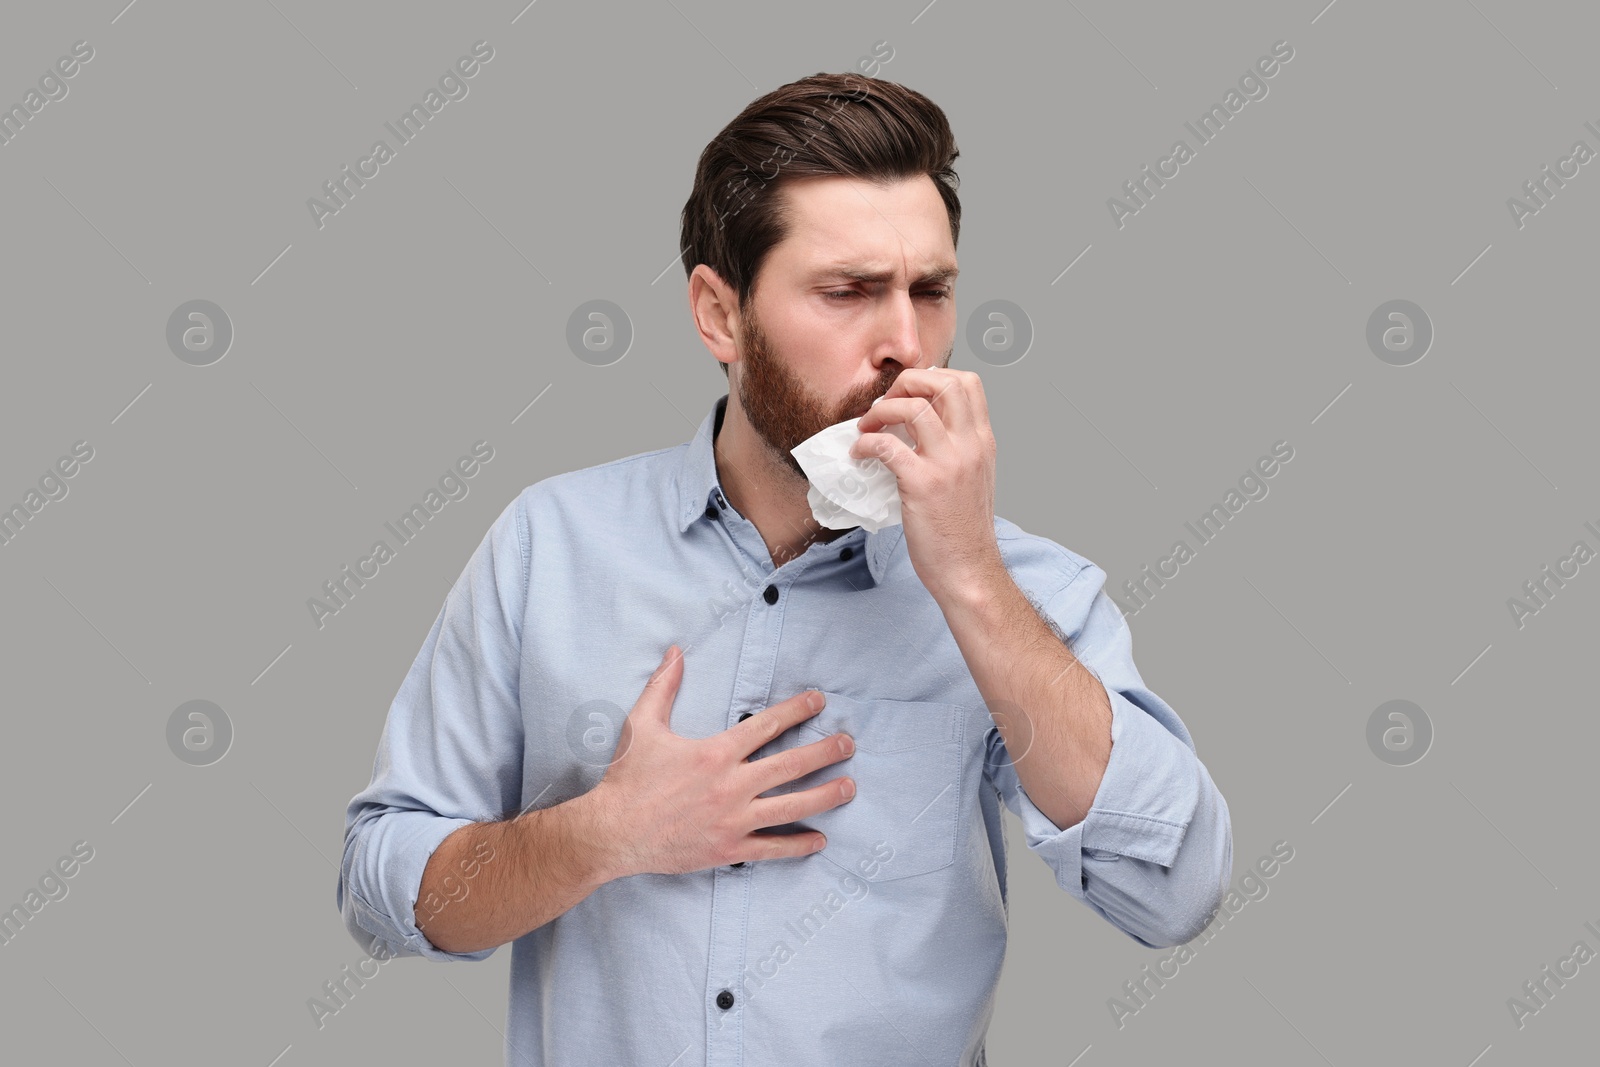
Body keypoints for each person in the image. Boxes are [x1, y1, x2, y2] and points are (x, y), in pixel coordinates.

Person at [337, 70, 1231, 1067]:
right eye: (847, 291)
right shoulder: (550, 544)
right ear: (719, 316)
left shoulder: (1025, 588)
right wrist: (600, 833)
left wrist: (970, 579)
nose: (904, 344)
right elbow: (381, 888)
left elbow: (1174, 889)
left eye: (929, 292)